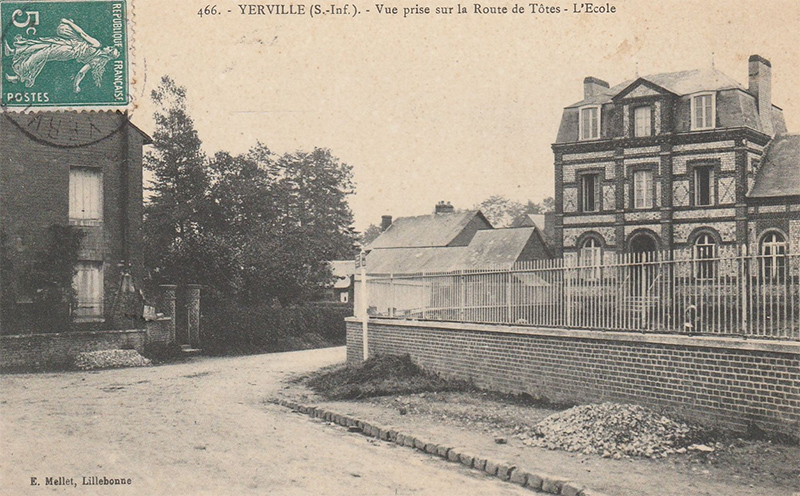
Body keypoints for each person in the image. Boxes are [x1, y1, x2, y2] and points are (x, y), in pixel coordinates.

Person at [3, 18, 119, 93]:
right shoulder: (96, 60)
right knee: (42, 44)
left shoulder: (97, 45)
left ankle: (18, 77)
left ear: (108, 53)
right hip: (68, 44)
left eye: (110, 49)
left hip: (68, 50)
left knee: (42, 54)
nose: (109, 46)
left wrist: (69, 23)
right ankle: (13, 51)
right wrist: (76, 86)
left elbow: (82, 33)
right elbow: (81, 72)